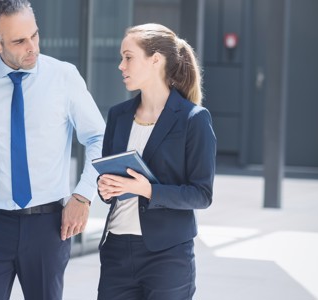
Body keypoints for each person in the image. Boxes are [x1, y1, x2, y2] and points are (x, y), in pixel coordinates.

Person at [0, 0, 105, 299]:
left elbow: (98, 138)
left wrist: (83, 195)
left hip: (48, 225)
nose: (32, 46)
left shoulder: (64, 76)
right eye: (19, 41)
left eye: (34, 35)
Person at [96, 23, 216, 300]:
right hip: (116, 250)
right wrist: (106, 187)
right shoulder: (118, 115)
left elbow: (202, 194)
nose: (120, 65)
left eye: (128, 57)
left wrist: (147, 189)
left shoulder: (193, 119)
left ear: (155, 60)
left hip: (168, 255)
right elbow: (107, 181)